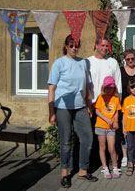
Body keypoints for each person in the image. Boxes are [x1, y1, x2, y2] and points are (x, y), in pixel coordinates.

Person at [48, 35, 98, 188]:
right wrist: (51, 112)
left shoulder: (83, 62)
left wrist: (89, 105)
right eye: (71, 45)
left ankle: (83, 170)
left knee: (88, 139)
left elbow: (87, 86)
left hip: (80, 106)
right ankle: (64, 174)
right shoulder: (59, 63)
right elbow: (51, 88)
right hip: (63, 107)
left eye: (76, 45)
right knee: (66, 141)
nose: (74, 48)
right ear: (66, 46)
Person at [86, 36, 122, 170]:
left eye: (107, 46)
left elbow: (118, 83)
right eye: (102, 45)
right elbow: (86, 85)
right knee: (93, 138)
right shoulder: (88, 62)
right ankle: (96, 164)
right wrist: (87, 103)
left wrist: (117, 106)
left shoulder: (112, 62)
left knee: (111, 140)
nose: (104, 48)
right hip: (93, 105)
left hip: (110, 108)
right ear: (96, 45)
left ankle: (111, 164)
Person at [119, 49, 135, 168]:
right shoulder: (120, 70)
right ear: (125, 59)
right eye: (127, 59)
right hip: (125, 104)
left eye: (132, 58)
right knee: (125, 131)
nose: (130, 61)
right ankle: (125, 156)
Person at [94, 76, 122, 179]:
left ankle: (115, 166)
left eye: (111, 87)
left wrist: (115, 121)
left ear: (114, 87)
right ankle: (105, 167)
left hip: (111, 128)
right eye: (107, 87)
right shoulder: (100, 97)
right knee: (102, 147)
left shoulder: (116, 98)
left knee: (111, 148)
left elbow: (116, 112)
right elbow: (97, 111)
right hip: (100, 126)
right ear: (104, 87)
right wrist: (106, 119)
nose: (109, 89)